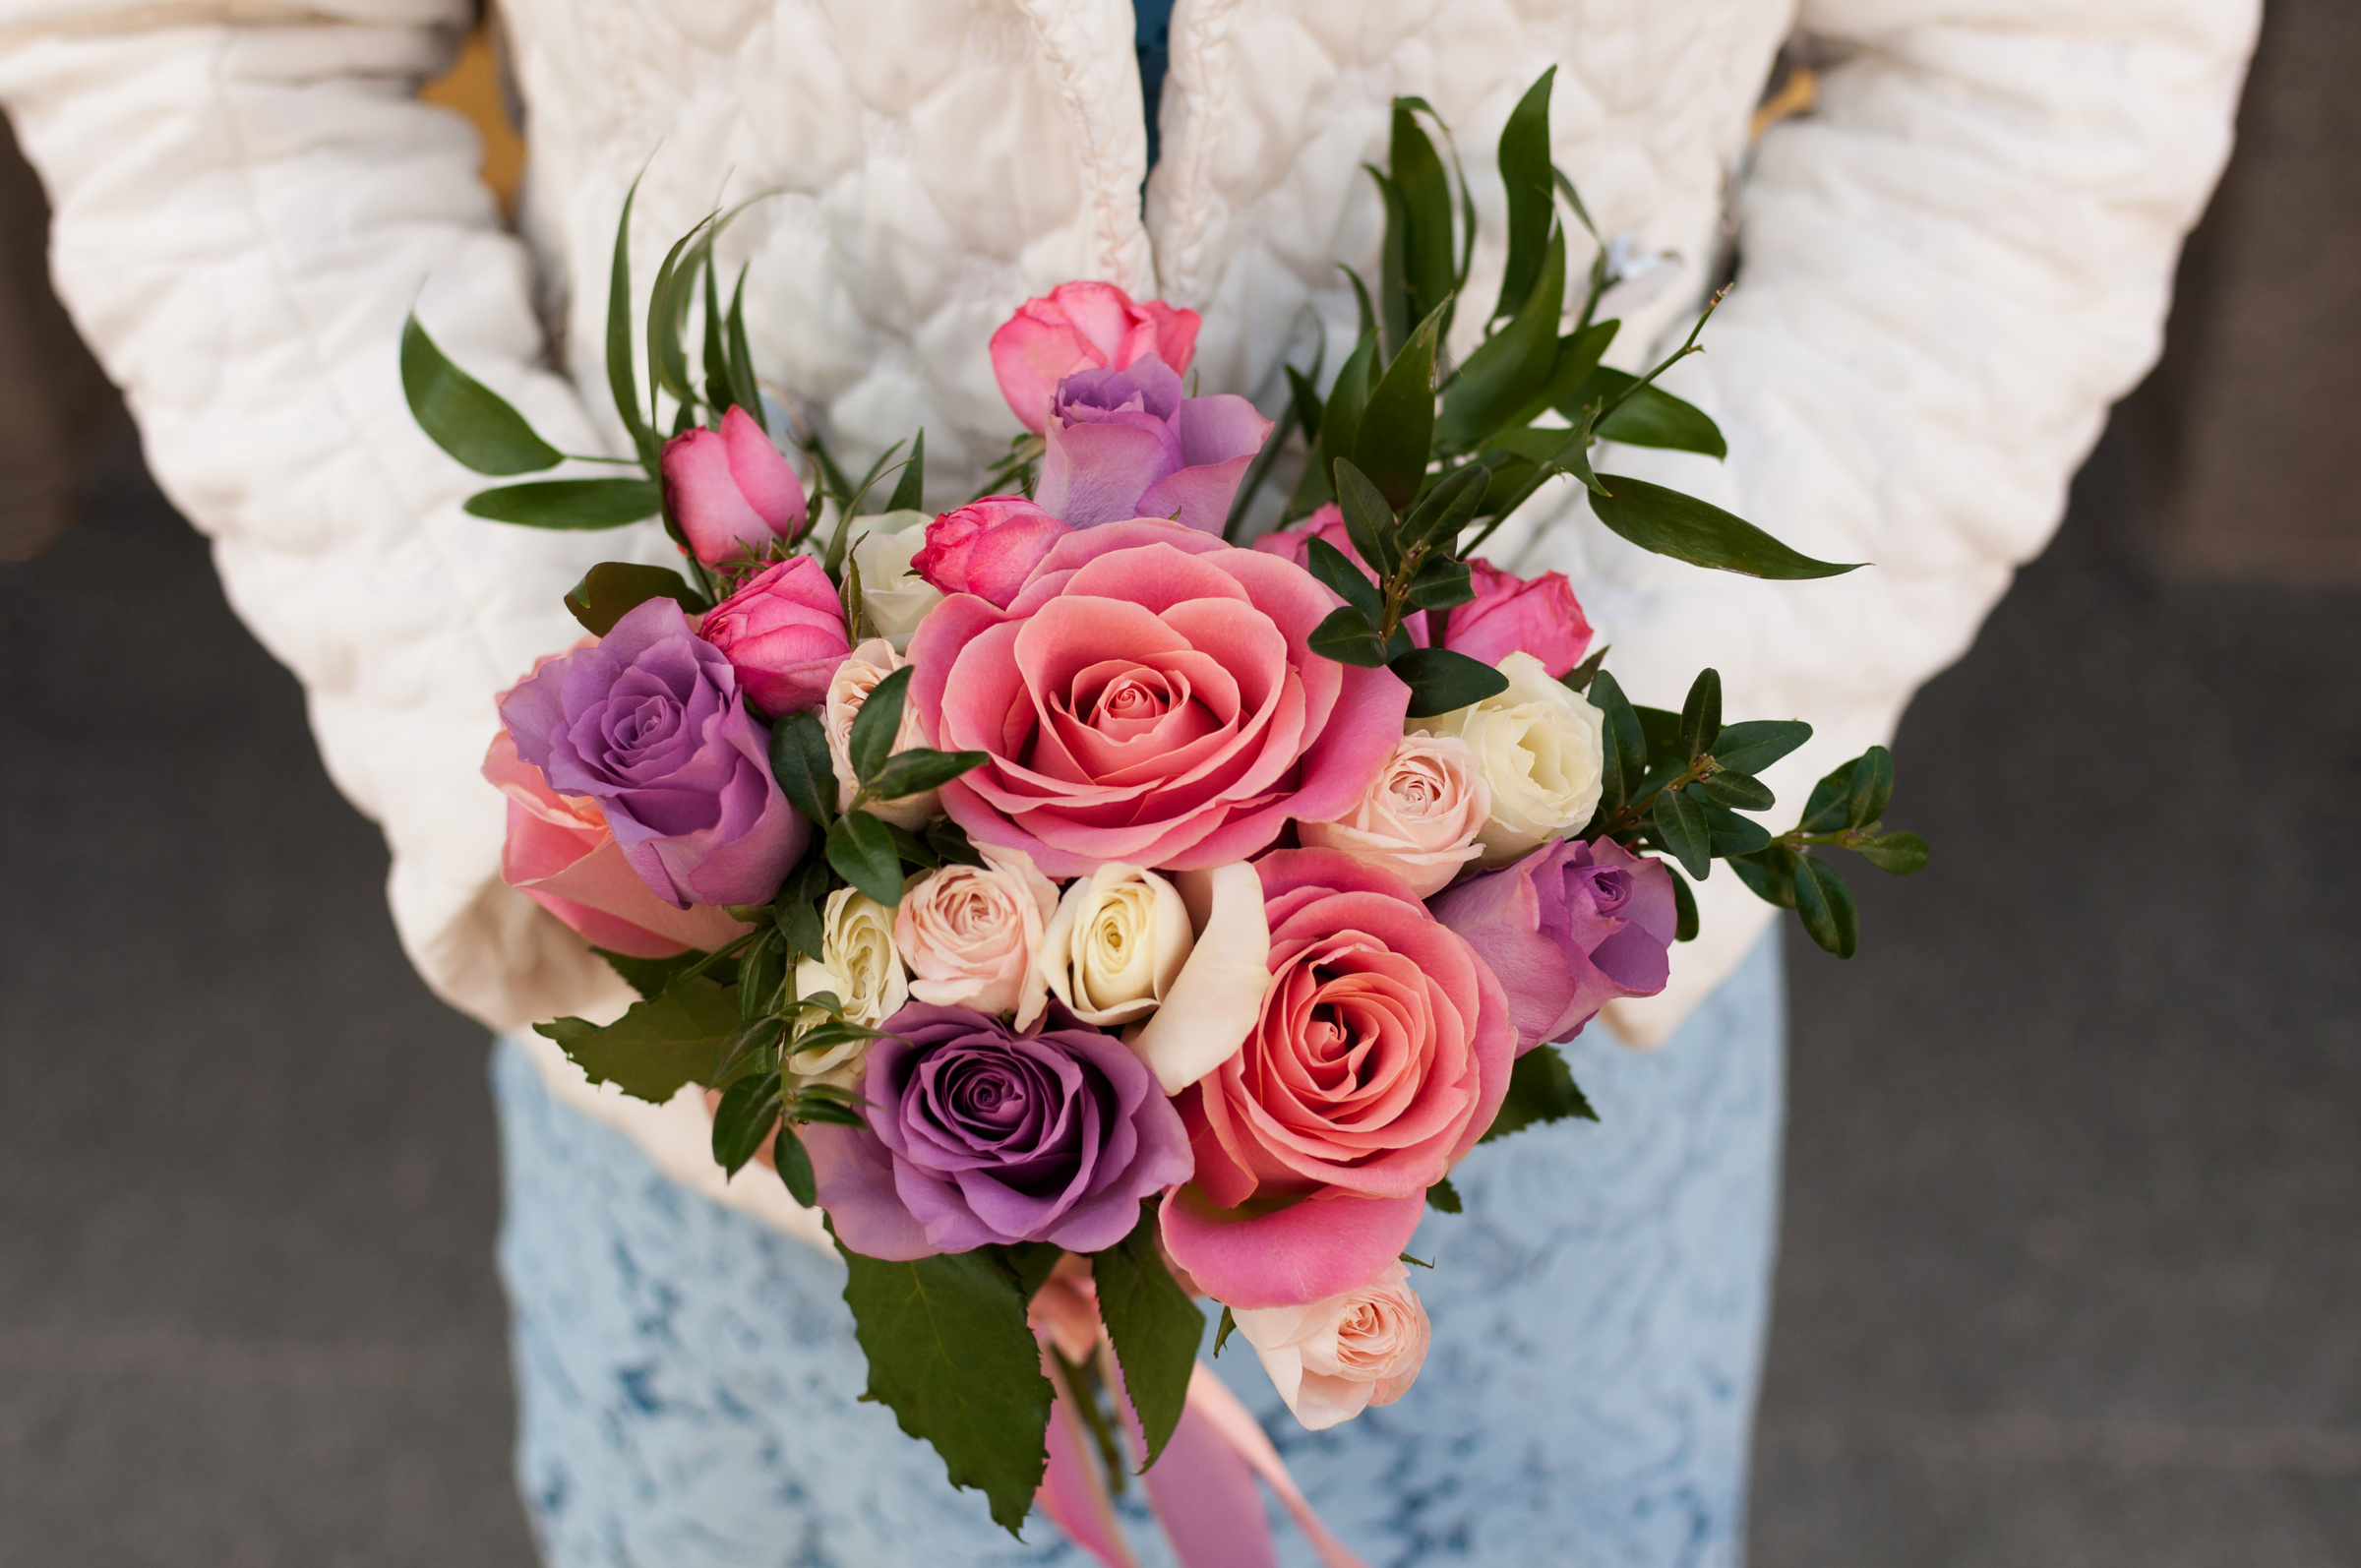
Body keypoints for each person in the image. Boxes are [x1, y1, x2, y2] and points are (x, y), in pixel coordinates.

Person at [0, 2, 2257, 1563]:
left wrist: (1603, 754)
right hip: (744, 1074)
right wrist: (590, 766)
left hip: (1513, 1035)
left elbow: (2041, 56)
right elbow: (221, 51)